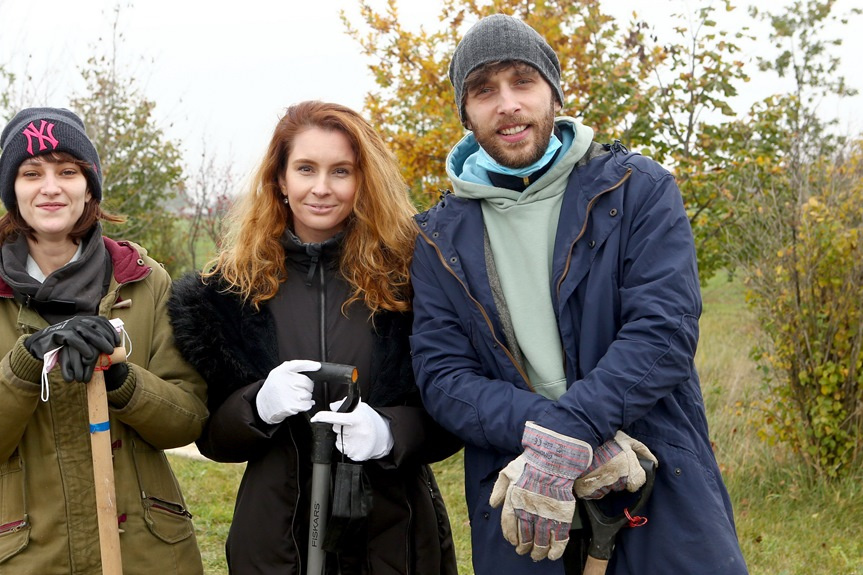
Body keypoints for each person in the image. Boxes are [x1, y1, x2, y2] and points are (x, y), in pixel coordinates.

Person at [408, 14, 749, 575]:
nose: (507, 103)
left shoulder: (636, 189)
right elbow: (444, 378)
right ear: (466, 113)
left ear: (553, 93)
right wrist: (552, 445)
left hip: (652, 475)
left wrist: (568, 433)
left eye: (523, 81)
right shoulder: (438, 237)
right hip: (523, 501)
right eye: (484, 89)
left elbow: (663, 333)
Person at [168, 100, 460, 574]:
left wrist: (389, 432)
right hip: (275, 541)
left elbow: (452, 411)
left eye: (341, 171)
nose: (321, 188)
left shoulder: (415, 279)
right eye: (305, 169)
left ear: (363, 180)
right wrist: (256, 405)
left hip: (394, 538)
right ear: (280, 179)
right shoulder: (227, 291)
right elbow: (211, 439)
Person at [0, 107, 208, 574]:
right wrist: (25, 363)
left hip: (148, 553)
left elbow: (188, 421)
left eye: (67, 171)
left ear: (89, 186)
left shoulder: (144, 283)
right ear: (11, 190)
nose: (50, 187)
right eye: (31, 172)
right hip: (30, 557)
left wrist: (122, 379)